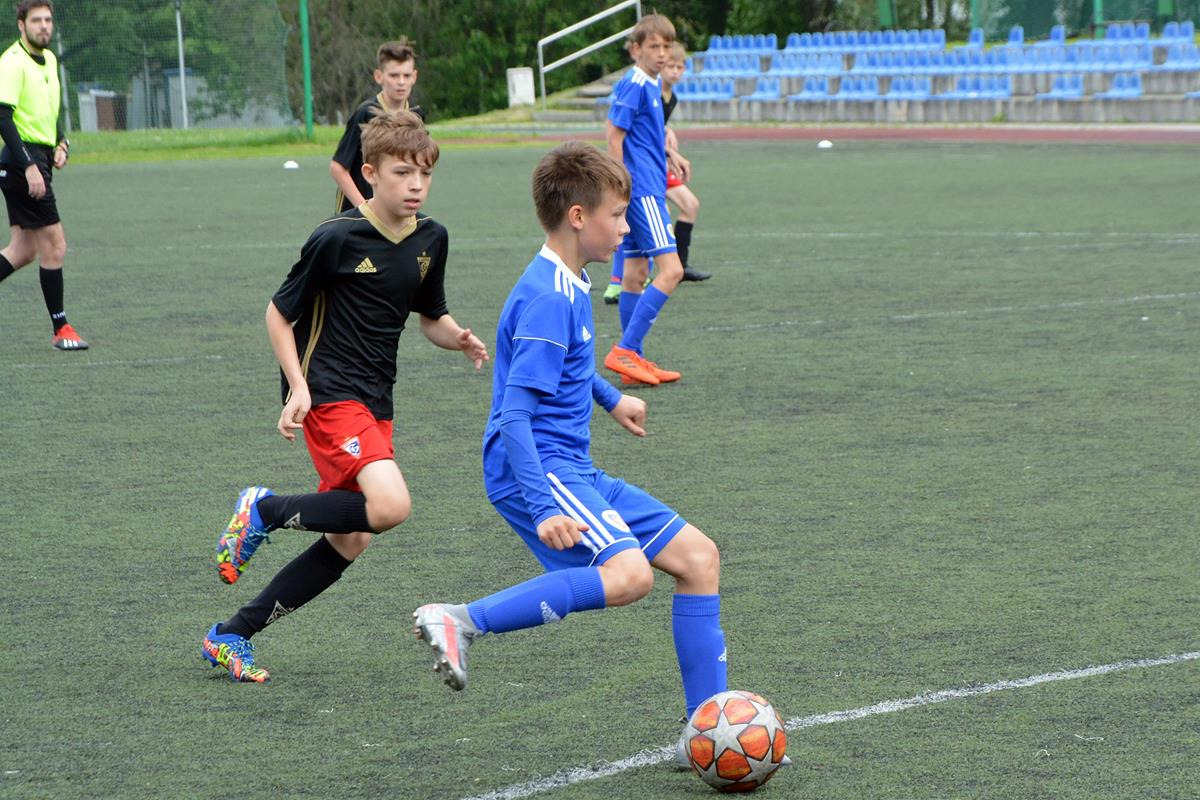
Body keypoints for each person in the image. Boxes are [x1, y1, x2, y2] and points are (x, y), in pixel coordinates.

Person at [411, 141, 728, 765]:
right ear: (579, 217)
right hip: (539, 468)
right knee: (630, 576)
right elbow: (514, 416)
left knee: (699, 557)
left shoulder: (568, 279)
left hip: (570, 466)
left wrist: (610, 399)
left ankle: (707, 733)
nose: (627, 227)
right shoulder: (551, 298)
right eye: (618, 214)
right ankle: (461, 619)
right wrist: (543, 506)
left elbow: (567, 367)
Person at [202, 111, 488, 683]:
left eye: (425, 174)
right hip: (328, 393)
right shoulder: (335, 237)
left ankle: (231, 634)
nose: (416, 185)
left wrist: (455, 336)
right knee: (391, 506)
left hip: (377, 401)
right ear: (369, 173)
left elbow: (429, 314)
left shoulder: (431, 238)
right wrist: (298, 386)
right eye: (402, 173)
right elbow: (278, 315)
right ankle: (265, 508)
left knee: (352, 537)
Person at [601, 13, 690, 386]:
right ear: (636, 49)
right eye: (654, 46)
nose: (662, 53)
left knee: (636, 274)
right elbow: (613, 135)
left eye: (666, 46)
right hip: (642, 191)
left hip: (647, 184)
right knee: (672, 271)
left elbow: (643, 135)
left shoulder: (651, 83)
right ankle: (626, 350)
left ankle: (632, 360)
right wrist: (621, 187)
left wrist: (670, 155)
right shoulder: (635, 83)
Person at [0, 0, 86, 350]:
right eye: (36, 20)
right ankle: (61, 328)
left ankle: (61, 328)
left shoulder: (49, 59)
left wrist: (61, 142)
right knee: (55, 245)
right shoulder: (11, 62)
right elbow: (3, 117)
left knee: (21, 250)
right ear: (21, 25)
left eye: (48, 19)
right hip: (22, 162)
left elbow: (49, 112)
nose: (44, 26)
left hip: (38, 159)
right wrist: (29, 165)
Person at [602, 41, 709, 307]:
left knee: (686, 207)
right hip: (643, 171)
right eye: (670, 65)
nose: (673, 70)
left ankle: (672, 266)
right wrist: (620, 177)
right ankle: (619, 281)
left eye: (679, 66)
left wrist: (670, 150)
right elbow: (619, 129)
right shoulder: (641, 85)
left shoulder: (666, 94)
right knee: (636, 226)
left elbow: (652, 131)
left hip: (657, 166)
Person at [330, 39, 425, 213]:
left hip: (395, 210)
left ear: (414, 77)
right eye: (394, 75)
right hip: (358, 212)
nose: (401, 82)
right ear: (379, 77)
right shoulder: (366, 114)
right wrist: (364, 209)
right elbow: (338, 167)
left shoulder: (416, 116)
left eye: (406, 75)